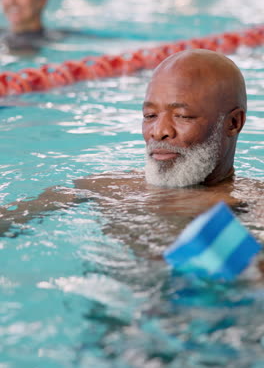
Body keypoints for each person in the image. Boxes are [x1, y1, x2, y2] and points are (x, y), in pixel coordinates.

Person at [0, 49, 263, 245]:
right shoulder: (109, 187)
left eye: (183, 116)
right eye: (149, 116)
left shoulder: (254, 208)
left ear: (233, 123)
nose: (158, 131)